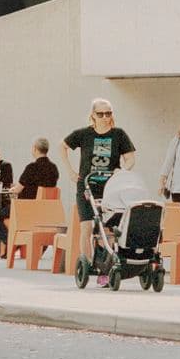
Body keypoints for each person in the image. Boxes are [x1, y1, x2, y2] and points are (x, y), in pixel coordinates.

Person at [61, 99, 135, 260]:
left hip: (110, 187)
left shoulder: (118, 134)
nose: (104, 117)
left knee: (108, 228)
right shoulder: (84, 134)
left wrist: (122, 171)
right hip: (87, 186)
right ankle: (86, 262)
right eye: (100, 114)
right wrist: (70, 171)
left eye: (108, 113)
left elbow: (130, 159)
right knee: (86, 227)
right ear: (93, 115)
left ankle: (107, 265)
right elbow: (63, 146)